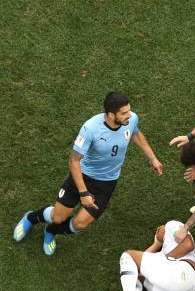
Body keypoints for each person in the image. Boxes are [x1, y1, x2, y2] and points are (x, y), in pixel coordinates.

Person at [13, 92, 163, 256]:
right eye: (124, 113)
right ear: (111, 114)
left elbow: (136, 133)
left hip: (107, 183)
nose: (129, 115)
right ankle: (31, 218)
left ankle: (51, 232)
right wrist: (83, 192)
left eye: (129, 110)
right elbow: (74, 161)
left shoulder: (131, 119)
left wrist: (153, 158)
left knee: (80, 223)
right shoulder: (90, 128)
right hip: (82, 176)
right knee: (58, 217)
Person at [101, 220, 195, 291]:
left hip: (183, 273)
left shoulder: (171, 225)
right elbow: (137, 267)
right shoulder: (161, 254)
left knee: (127, 255)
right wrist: (157, 243)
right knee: (136, 275)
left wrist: (166, 257)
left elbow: (188, 245)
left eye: (160, 226)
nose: (158, 228)